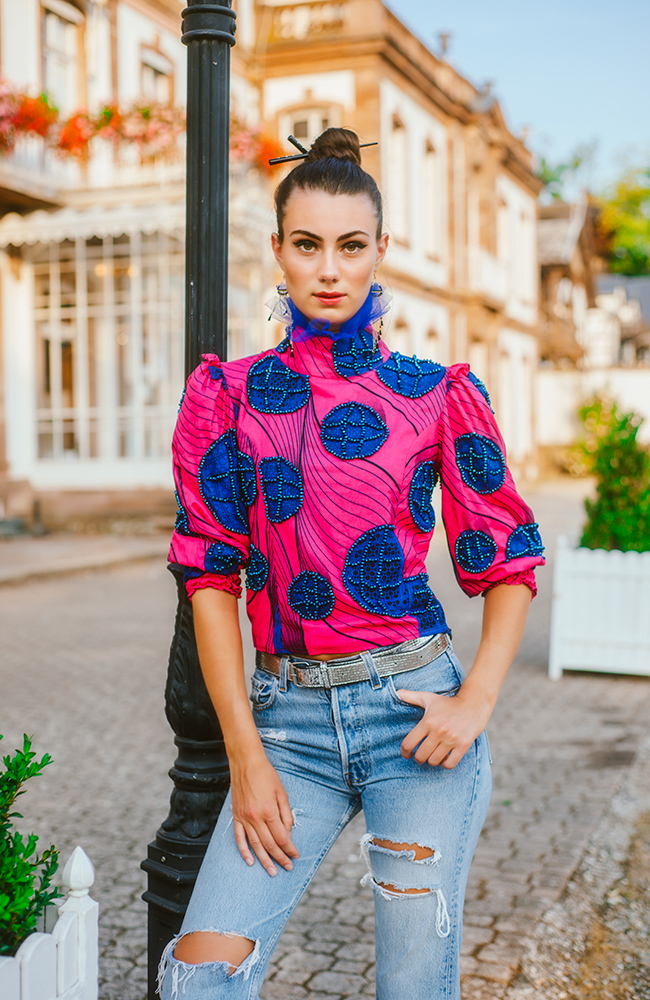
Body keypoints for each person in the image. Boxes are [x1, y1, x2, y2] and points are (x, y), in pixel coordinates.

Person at [158, 127, 545, 1000]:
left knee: (412, 985)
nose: (328, 268)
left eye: (350, 245)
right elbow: (211, 579)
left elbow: (509, 556)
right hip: (286, 730)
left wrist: (475, 698)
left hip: (415, 724)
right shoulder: (228, 395)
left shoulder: (437, 393)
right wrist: (245, 755)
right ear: (279, 251)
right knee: (197, 978)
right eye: (307, 245)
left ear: (379, 251)